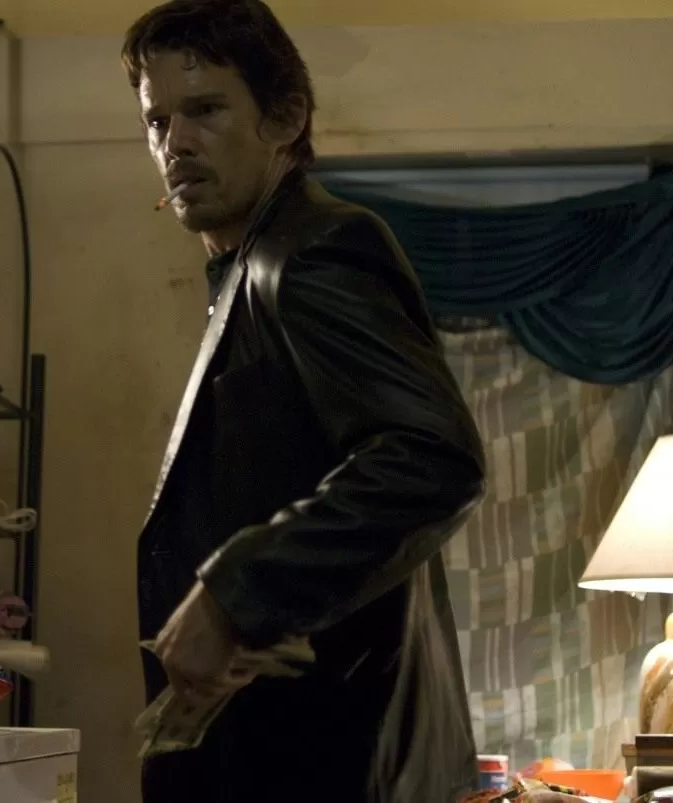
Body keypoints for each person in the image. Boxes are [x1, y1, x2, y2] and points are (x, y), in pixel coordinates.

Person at [121, 2, 488, 802]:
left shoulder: (313, 249)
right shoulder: (249, 268)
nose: (174, 143)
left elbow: (430, 457)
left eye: (205, 109)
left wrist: (236, 592)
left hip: (325, 765)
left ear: (284, 119)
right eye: (156, 119)